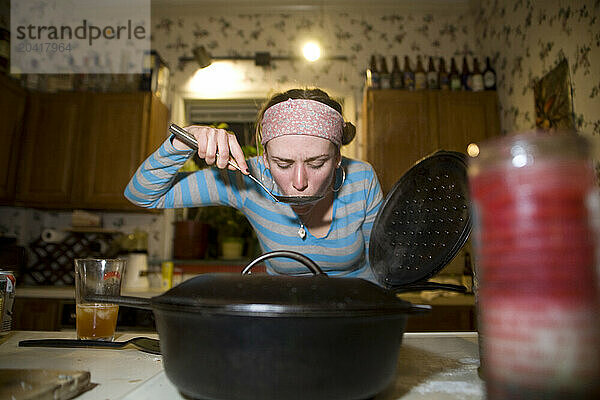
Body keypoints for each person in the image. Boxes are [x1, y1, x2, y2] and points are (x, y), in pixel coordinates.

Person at [125, 88, 384, 282]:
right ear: (265, 159)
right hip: (283, 319)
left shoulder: (362, 180)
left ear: (338, 157)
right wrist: (185, 139)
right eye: (282, 164)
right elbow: (142, 195)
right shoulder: (247, 178)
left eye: (316, 163)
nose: (299, 183)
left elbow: (381, 266)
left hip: (355, 316)